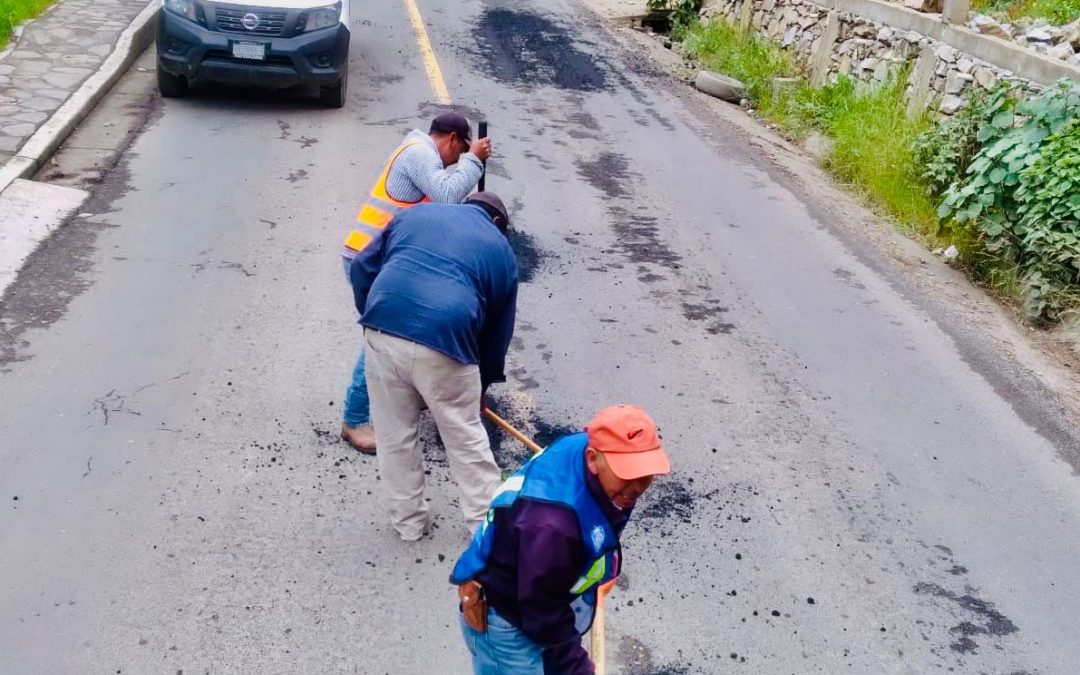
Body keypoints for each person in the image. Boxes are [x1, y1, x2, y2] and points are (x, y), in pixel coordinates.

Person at [450, 405, 672, 675]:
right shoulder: (552, 526)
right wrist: (577, 668)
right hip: (507, 620)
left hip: (533, 585)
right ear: (593, 460)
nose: (638, 486)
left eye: (645, 473)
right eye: (628, 474)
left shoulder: (586, 450)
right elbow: (542, 613)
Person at [349, 193, 518, 541]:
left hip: (381, 329)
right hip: (446, 340)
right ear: (499, 224)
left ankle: (409, 524)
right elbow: (496, 334)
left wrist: (377, 315)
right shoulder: (501, 250)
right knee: (465, 437)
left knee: (394, 434)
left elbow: (360, 267)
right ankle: (484, 532)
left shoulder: (415, 216)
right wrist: (480, 389)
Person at [340, 112, 493, 454]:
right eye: (460, 152)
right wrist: (474, 162)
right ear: (453, 139)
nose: (456, 161)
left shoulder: (419, 153)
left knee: (397, 333)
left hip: (379, 259)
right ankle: (354, 419)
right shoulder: (419, 153)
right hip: (368, 260)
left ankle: (406, 393)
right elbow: (447, 197)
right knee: (381, 337)